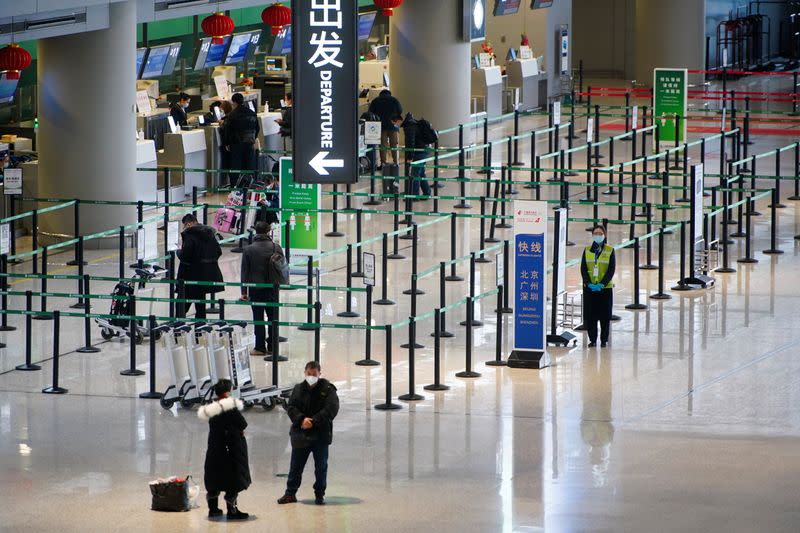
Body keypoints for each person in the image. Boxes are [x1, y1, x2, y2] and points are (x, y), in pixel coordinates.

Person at [277, 361, 339, 506]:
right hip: (301, 435)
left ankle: (319, 495)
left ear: (319, 374)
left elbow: (331, 409)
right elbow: (291, 407)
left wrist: (314, 421)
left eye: (314, 374)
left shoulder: (328, 390)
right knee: (295, 467)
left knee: (321, 467)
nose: (311, 376)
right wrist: (301, 420)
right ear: (305, 373)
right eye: (309, 374)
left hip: (320, 436)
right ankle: (290, 494)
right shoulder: (298, 389)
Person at [198, 379, 251, 520]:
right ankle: (232, 511)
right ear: (228, 391)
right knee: (233, 478)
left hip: (215, 447)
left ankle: (213, 509)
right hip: (230, 447)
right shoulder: (229, 406)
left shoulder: (211, 406)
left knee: (214, 477)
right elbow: (242, 423)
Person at [240, 221, 283, 356]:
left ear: (255, 232)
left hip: (255, 288)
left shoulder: (249, 249)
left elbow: (244, 272)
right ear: (269, 231)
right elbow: (282, 268)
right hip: (272, 288)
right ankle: (272, 346)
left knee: (258, 318)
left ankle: (259, 347)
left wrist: (244, 292)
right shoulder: (276, 247)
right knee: (273, 318)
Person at [177, 213, 224, 319]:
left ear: (188, 224)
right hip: (205, 277)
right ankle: (200, 332)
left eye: (184, 225)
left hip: (190, 277)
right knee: (201, 307)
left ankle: (178, 332)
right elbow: (218, 252)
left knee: (181, 306)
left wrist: (178, 252)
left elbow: (186, 256)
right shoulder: (209, 234)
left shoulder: (190, 235)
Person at [581, 225, 616, 348]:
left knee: (605, 316)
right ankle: (593, 340)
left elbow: (611, 270)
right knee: (591, 316)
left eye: (600, 233)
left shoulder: (610, 250)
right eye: (595, 233)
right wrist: (588, 283)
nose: (598, 235)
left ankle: (604, 340)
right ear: (592, 235)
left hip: (605, 289)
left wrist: (602, 284)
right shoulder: (586, 250)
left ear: (604, 235)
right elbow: (583, 269)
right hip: (590, 289)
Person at [224, 92, 261, 186]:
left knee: (236, 165)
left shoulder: (232, 114)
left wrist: (227, 143)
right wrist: (253, 138)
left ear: (234, 103)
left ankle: (235, 186)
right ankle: (249, 185)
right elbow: (257, 128)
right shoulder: (252, 113)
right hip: (249, 142)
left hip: (237, 143)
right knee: (249, 164)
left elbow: (228, 130)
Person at [367, 89, 403, 167]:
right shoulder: (394, 100)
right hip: (393, 126)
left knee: (383, 145)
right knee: (394, 144)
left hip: (381, 126)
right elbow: (400, 110)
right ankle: (396, 162)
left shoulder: (375, 101)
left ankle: (383, 162)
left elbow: (370, 112)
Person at [402, 113, 433, 199]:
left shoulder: (409, 128)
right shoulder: (416, 124)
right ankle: (427, 193)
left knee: (415, 173)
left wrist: (409, 157)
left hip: (419, 151)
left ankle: (414, 195)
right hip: (426, 149)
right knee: (421, 172)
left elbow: (410, 143)